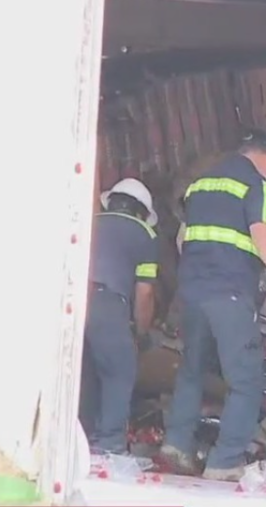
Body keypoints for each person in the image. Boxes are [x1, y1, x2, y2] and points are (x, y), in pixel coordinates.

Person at [160, 126, 266, 482]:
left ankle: (176, 443)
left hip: (192, 291)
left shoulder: (202, 183)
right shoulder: (257, 184)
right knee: (246, 379)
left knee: (192, 369)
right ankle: (225, 461)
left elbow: (181, 238)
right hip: (230, 293)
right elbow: (260, 231)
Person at [80, 177, 160, 455]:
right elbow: (145, 293)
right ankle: (109, 444)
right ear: (141, 212)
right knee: (119, 370)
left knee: (84, 371)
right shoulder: (144, 234)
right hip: (106, 302)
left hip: (73, 298)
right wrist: (140, 332)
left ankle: (80, 435)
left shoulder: (91, 221)